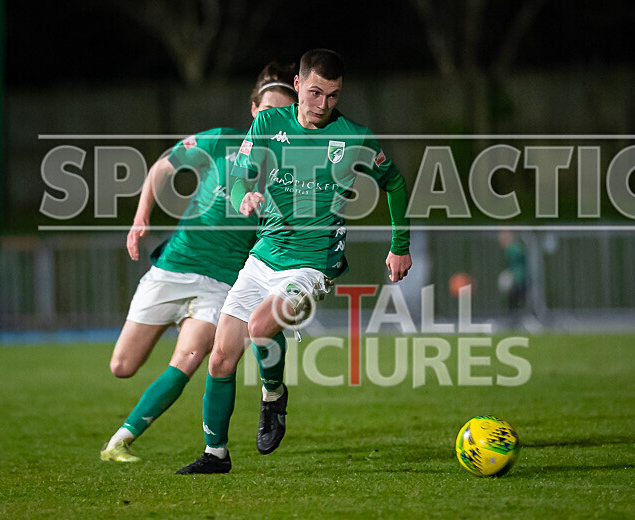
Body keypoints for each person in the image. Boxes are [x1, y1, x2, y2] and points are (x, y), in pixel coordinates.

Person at [176, 49, 413, 475]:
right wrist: (242, 194)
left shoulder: (353, 137)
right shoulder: (268, 123)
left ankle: (273, 396)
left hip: (313, 264)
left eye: (334, 96)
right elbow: (240, 174)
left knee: (261, 326)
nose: (323, 105)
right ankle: (216, 455)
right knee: (220, 358)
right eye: (316, 92)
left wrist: (400, 244)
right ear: (298, 85)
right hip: (264, 254)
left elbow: (393, 182)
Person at [99, 63, 298, 463]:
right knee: (122, 366)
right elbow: (162, 167)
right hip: (174, 266)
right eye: (268, 112)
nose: (274, 122)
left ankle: (119, 442)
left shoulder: (291, 172)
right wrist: (142, 216)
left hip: (222, 284)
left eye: (284, 115)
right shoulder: (221, 141)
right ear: (254, 110)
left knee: (189, 359)